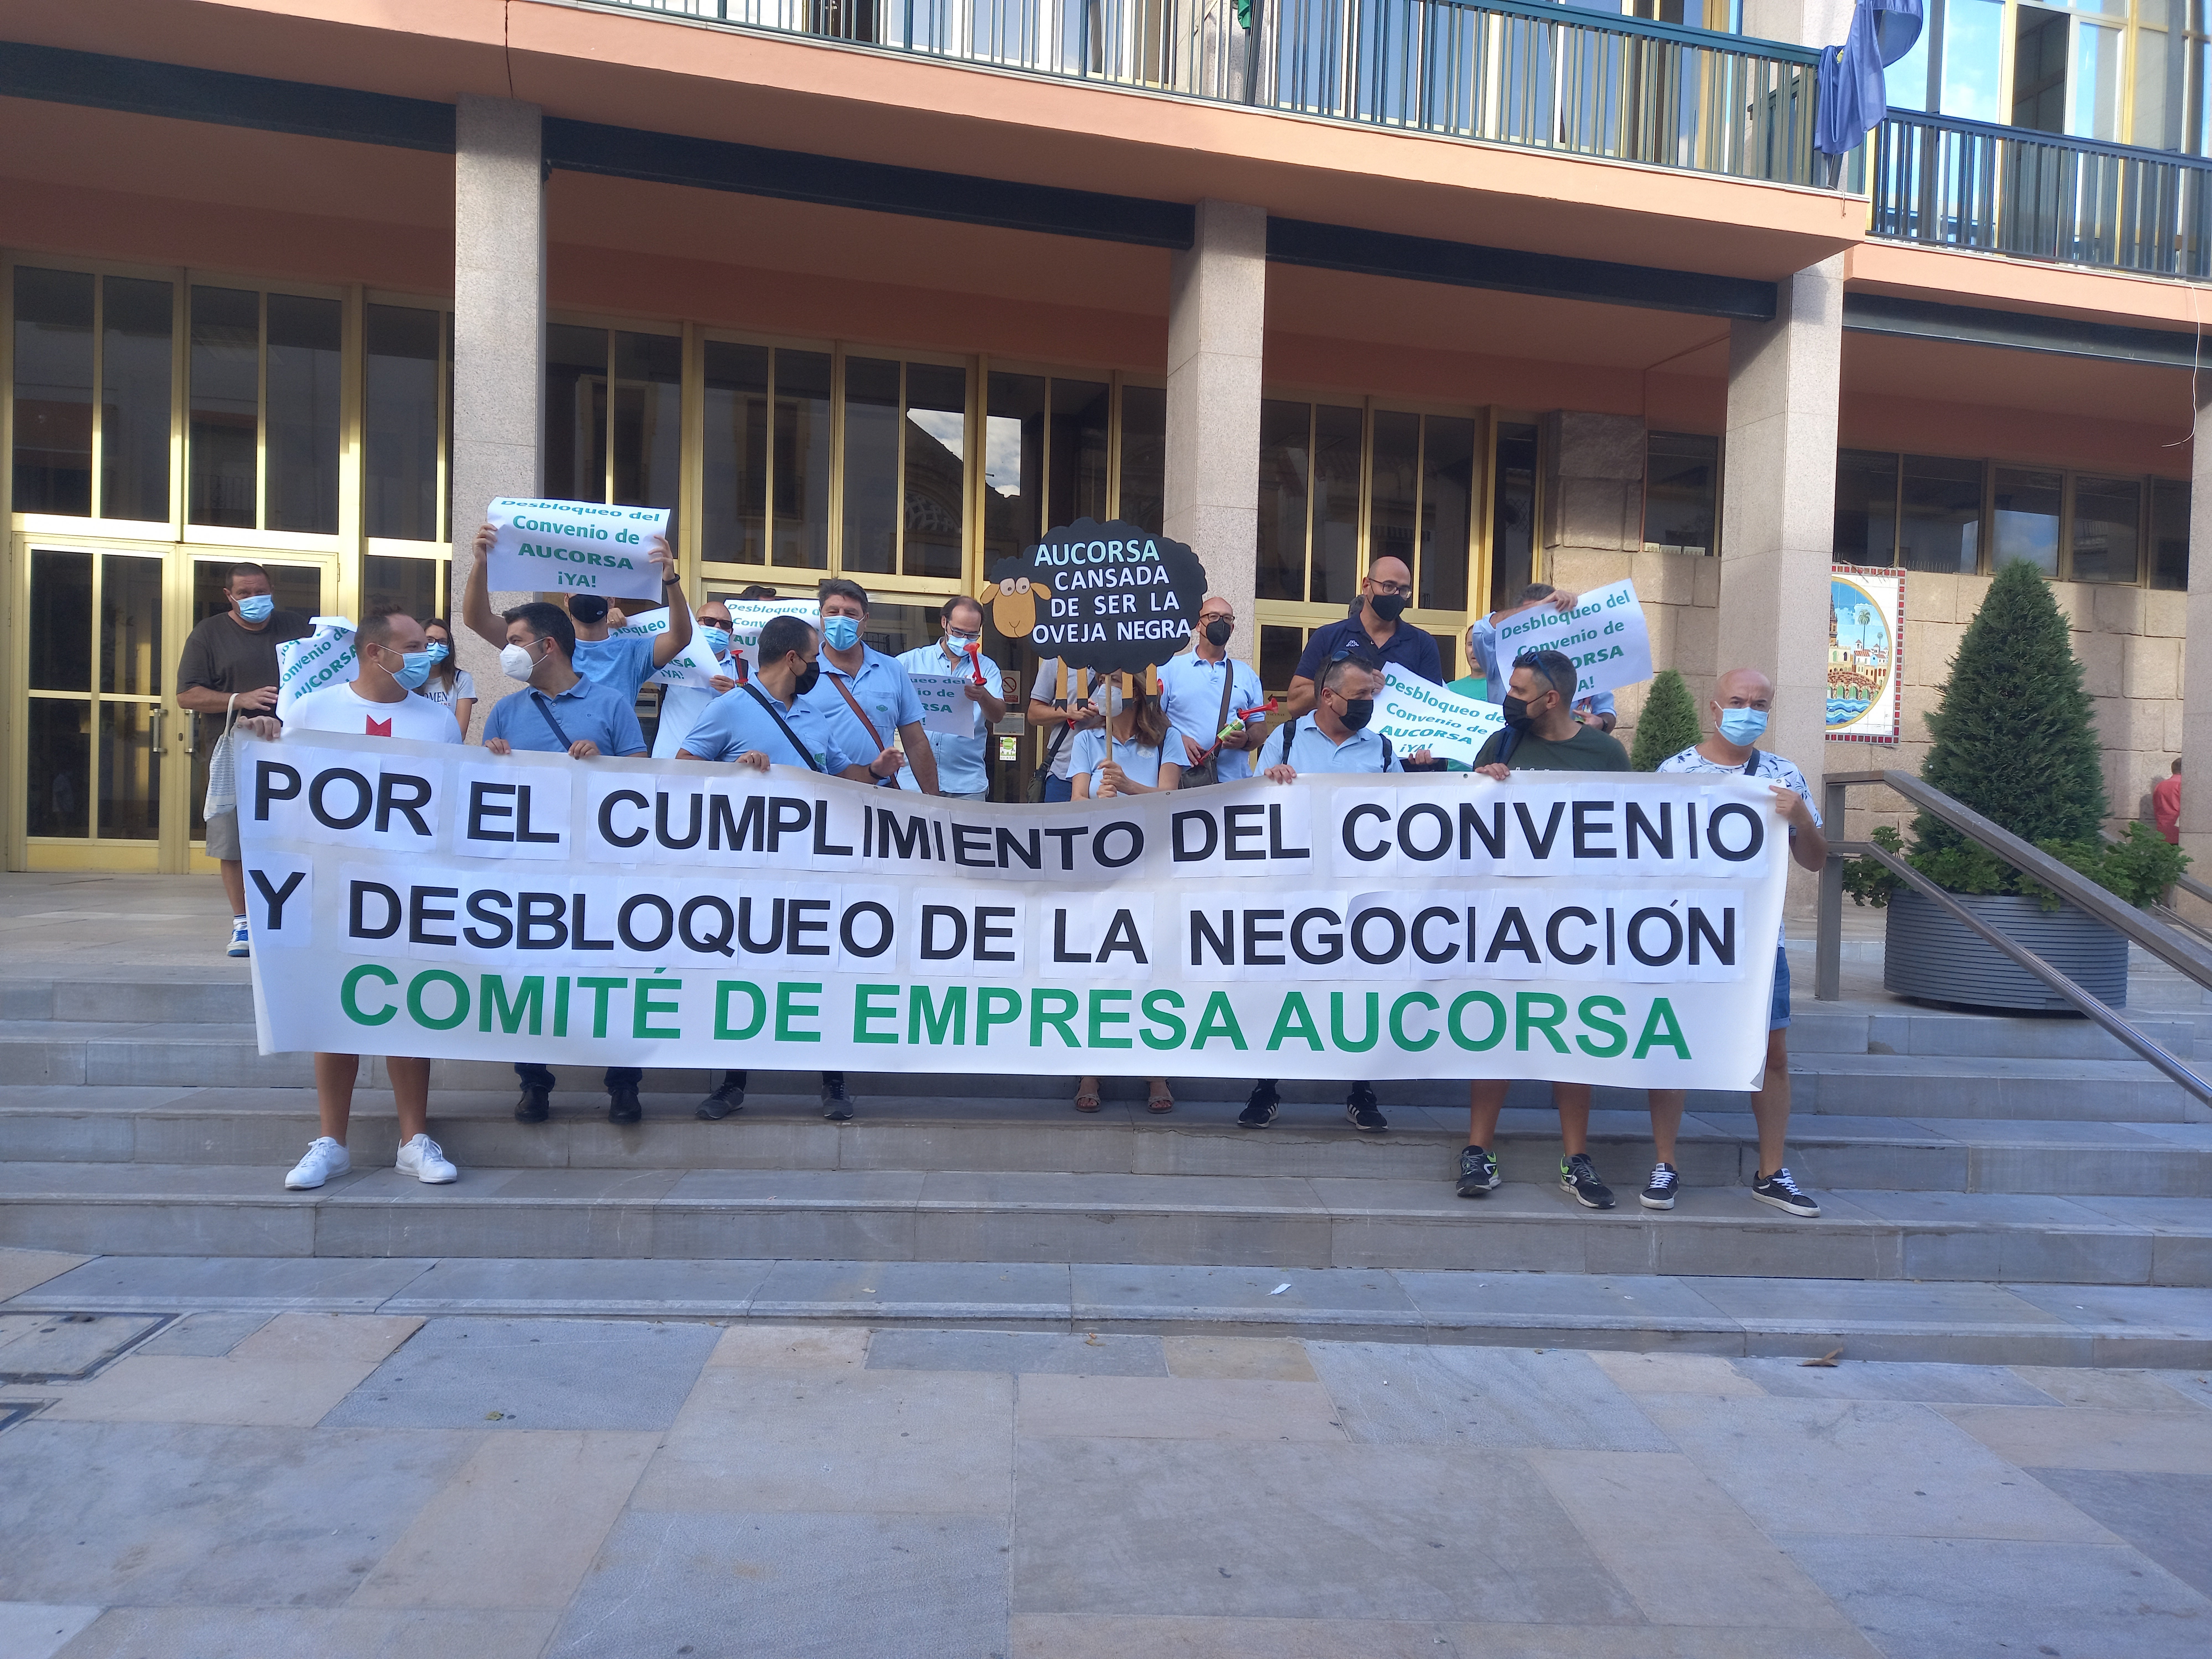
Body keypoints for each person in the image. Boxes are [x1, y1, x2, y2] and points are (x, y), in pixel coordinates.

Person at [238, 606, 462, 1191]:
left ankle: (414, 1141)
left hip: (407, 891)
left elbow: (453, 803)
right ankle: (331, 1142)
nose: (426, 655)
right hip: (332, 889)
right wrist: (264, 739)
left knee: (407, 1009)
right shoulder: (313, 710)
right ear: (374, 652)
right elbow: (286, 794)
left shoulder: (437, 722)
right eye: (414, 646)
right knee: (335, 1010)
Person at [680, 613, 906, 1123]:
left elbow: (839, 774)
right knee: (746, 972)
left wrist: (875, 771)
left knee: (822, 972)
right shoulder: (729, 708)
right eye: (813, 657)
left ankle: (834, 1082)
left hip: (813, 872)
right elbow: (683, 773)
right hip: (750, 874)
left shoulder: (813, 716)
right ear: (792, 659)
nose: (818, 665)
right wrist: (735, 773)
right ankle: (732, 1082)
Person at [1642, 667, 1828, 1219]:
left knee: (1772, 1053)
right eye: (1738, 701)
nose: (1749, 711)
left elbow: (1815, 860)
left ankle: (1772, 1172)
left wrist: (1801, 818)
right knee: (1673, 1047)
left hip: (1757, 939)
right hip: (1685, 935)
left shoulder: (1783, 775)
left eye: (1760, 703)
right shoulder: (1675, 772)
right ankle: (1665, 1163)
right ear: (1715, 707)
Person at [1459, 647, 1632, 1207]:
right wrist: (1482, 783)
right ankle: (1478, 1150)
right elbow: (1466, 822)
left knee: (1572, 1034)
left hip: (1576, 920)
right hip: (1507, 916)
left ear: (1551, 699)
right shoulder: (1502, 743)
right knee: (1496, 1031)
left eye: (1518, 691)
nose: (1508, 699)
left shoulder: (1605, 754)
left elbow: (1627, 831)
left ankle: (1576, 1158)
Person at [478, 600, 652, 1126]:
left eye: (515, 641)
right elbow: (485, 792)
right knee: (530, 974)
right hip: (530, 869)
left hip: (601, 866)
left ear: (547, 645)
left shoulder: (611, 704)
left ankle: (623, 1084)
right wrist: (491, 760)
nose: (508, 650)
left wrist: (604, 764)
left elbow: (643, 779)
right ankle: (534, 1082)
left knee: (613, 971)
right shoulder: (506, 711)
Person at [1241, 653, 1402, 1134]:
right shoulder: (1287, 738)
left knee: (1359, 989)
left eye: (1371, 694)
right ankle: (1266, 1087)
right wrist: (1269, 782)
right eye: (1360, 695)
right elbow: (1253, 803)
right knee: (1281, 985)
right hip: (1294, 889)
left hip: (1359, 893)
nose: (1369, 702)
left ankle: (1361, 1090)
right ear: (1328, 697)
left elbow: (1405, 810)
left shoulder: (1382, 749)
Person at [176, 563, 314, 958]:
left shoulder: (297, 627)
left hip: (293, 753)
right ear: (229, 596)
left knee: (294, 838)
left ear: (273, 589)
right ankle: (244, 923)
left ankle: (289, 917)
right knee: (234, 840)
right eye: (245, 594)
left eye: (261, 592)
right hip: (235, 753)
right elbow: (187, 695)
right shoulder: (209, 634)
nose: (255, 599)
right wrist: (240, 700)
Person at [1065, 677, 1184, 1115]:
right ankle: (1091, 1070)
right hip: (1101, 868)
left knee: (1151, 965)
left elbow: (1171, 797)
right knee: (1098, 966)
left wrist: (1129, 786)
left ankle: (1156, 1071)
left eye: (1113, 683)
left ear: (1135, 692)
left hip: (1152, 866)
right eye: (1101, 683)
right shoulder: (1087, 740)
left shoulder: (1167, 738)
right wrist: (1098, 798)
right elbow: (1076, 800)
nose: (1103, 691)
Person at [461, 521, 692, 702]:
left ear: (611, 601)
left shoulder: (632, 653)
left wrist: (671, 581)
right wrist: (481, 564)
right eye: (579, 586)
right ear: (566, 598)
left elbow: (680, 638)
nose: (587, 592)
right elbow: (477, 620)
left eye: (595, 587)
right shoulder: (544, 644)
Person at [804, 578, 940, 799]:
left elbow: (916, 741)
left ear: (865, 620)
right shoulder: (804, 670)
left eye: (850, 614)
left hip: (879, 797)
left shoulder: (892, 670)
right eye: (833, 612)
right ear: (821, 617)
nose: (841, 619)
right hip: (818, 794)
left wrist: (933, 801)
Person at [1280, 555, 1440, 719]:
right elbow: (1295, 704)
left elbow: (1434, 711)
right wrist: (1348, 686)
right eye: (1389, 586)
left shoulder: (1423, 644)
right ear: (1367, 586)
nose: (1396, 595)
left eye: (1404, 590)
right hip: (1339, 735)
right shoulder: (1328, 637)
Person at [897, 596, 1006, 800]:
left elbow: (998, 716)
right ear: (944, 623)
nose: (965, 639)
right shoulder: (910, 662)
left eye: (972, 635)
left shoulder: (987, 667)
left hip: (966, 783)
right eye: (958, 632)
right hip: (914, 781)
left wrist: (983, 696)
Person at [1467, 584, 1615, 731]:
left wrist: (1602, 723)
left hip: (1566, 742)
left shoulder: (1583, 657)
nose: (1537, 625)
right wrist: (1537, 607)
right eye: (1530, 619)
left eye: (1546, 617)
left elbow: (1606, 710)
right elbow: (1482, 630)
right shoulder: (1498, 656)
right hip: (1509, 740)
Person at [1158, 596, 1267, 785]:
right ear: (1198, 625)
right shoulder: (1169, 669)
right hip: (1183, 783)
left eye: (1227, 619)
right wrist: (1175, 739)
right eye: (1213, 617)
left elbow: (1260, 727)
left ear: (1232, 628)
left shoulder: (1247, 675)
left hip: (1234, 785)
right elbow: (1151, 718)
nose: (1221, 623)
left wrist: (1247, 739)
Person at [652, 595, 740, 760]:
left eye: (725, 624)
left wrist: (737, 695)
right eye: (710, 622)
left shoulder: (744, 671)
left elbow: (760, 714)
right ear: (696, 625)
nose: (717, 628)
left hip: (721, 766)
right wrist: (615, 624)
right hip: (668, 763)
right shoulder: (673, 660)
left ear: (731, 632)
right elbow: (631, 657)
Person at [1026, 656, 1105, 802]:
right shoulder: (1057, 660)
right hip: (1064, 773)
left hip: (1107, 772)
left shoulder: (1118, 658)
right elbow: (1033, 714)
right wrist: (1068, 712)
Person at [418, 617, 476, 737]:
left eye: (443, 642)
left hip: (448, 747)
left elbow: (460, 732)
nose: (436, 646)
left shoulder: (461, 679)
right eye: (430, 640)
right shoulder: (407, 679)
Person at [2156, 758, 2183, 845]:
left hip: (2162, 831)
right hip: (2180, 833)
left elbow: (2157, 808)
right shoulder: (2184, 785)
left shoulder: (2160, 785)